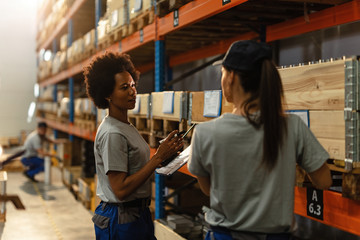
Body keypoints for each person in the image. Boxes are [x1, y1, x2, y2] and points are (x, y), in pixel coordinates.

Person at [187, 40, 332, 240]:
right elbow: (324, 180)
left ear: (232, 77)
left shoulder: (205, 132)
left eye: (222, 73)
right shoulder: (292, 127)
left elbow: (208, 189)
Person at [84, 52, 183, 240]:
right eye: (124, 88)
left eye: (132, 85)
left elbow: (136, 166)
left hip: (137, 215)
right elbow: (120, 190)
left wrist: (166, 155)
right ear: (107, 94)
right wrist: (158, 158)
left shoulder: (125, 126)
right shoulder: (113, 133)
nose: (132, 91)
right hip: (121, 218)